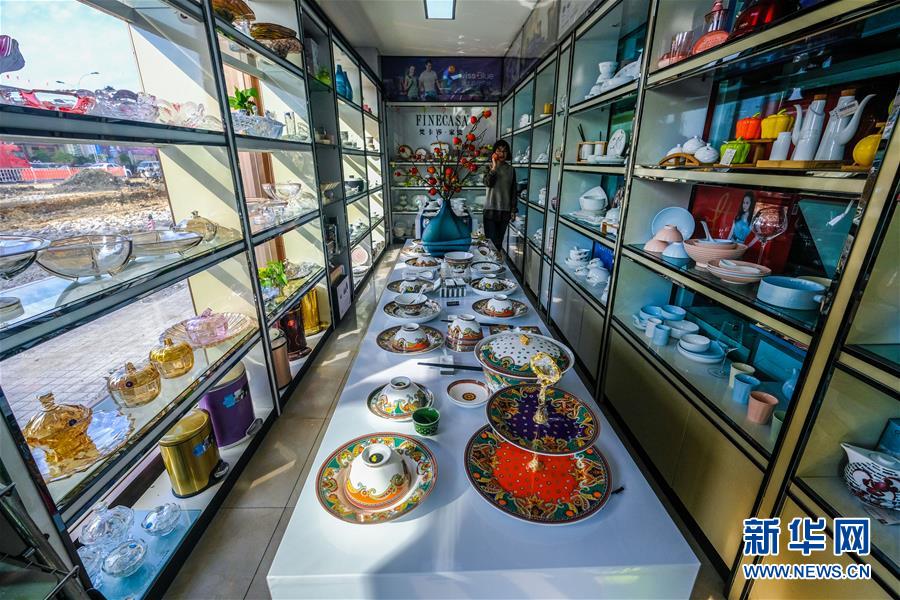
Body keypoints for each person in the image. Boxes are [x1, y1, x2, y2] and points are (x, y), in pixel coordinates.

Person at [483, 140, 517, 252]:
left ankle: (495, 261)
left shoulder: (511, 170)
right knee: (490, 242)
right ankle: (489, 261)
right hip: (490, 210)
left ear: (508, 153)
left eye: (505, 151)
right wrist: (493, 168)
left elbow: (513, 191)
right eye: (499, 151)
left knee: (498, 243)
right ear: (494, 152)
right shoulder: (489, 167)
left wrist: (513, 210)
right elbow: (488, 183)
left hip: (505, 211)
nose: (502, 154)